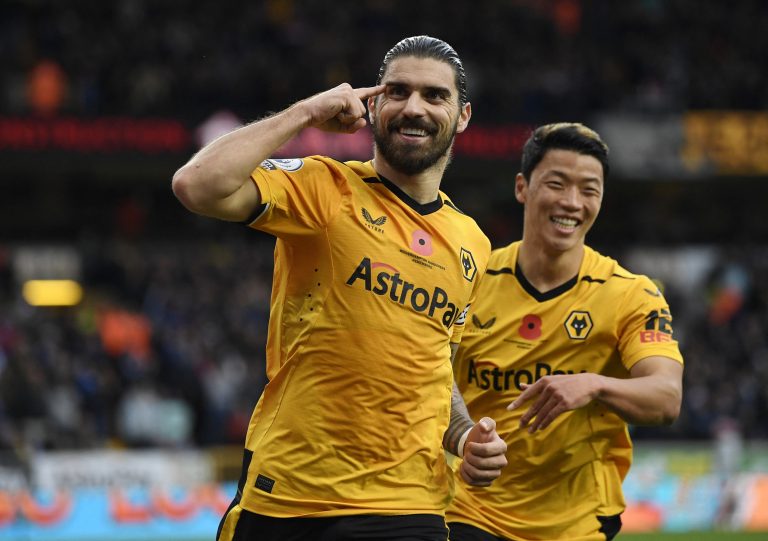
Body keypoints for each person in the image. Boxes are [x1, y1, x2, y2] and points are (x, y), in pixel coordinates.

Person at [172, 35, 508, 541]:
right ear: (373, 106)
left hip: (405, 505)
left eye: (434, 96)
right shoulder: (324, 187)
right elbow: (196, 185)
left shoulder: (472, 244)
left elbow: (437, 361)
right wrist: (304, 114)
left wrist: (462, 436)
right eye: (397, 91)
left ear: (462, 116)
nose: (414, 107)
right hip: (290, 493)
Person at [445, 123, 684, 541]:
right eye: (557, 184)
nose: (572, 202)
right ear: (523, 187)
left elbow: (666, 398)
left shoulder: (630, 295)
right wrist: (461, 437)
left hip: (578, 522)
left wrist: (595, 385)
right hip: (470, 510)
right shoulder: (470, 278)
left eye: (589, 190)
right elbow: (428, 374)